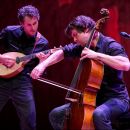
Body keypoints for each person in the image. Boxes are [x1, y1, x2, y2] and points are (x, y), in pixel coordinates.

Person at [30, 15, 130, 130]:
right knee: (56, 114)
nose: (74, 40)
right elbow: (62, 52)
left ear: (86, 29)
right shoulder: (82, 47)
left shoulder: (110, 45)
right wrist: (42, 65)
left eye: (75, 35)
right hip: (92, 100)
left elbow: (125, 64)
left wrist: (97, 55)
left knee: (99, 114)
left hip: (116, 99)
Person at [0, 5, 49, 130]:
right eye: (29, 25)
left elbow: (39, 74)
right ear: (21, 24)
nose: (33, 28)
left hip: (22, 82)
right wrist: (0, 58)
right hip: (2, 78)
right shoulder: (9, 32)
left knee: (29, 122)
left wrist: (42, 63)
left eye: (35, 23)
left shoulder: (42, 43)